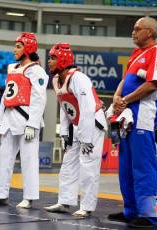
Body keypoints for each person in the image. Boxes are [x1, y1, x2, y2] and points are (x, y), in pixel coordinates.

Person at [107, 16, 157, 228]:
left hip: (142, 118)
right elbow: (125, 80)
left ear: (149, 32)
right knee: (125, 168)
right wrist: (116, 96)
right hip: (126, 118)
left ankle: (148, 215)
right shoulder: (136, 54)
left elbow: (153, 83)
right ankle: (130, 211)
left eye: (137, 29)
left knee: (143, 167)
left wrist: (124, 100)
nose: (133, 32)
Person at [43, 43, 107, 218]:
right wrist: (64, 133)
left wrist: (86, 138)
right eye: (49, 57)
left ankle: (86, 206)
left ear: (63, 59)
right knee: (68, 163)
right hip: (76, 123)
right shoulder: (56, 80)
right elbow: (65, 107)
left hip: (92, 124)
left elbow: (87, 108)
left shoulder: (79, 78)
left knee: (88, 165)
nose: (49, 61)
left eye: (53, 58)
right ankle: (65, 201)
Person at [0, 32, 48, 209]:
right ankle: (1, 194)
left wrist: (33, 124)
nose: (14, 49)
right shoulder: (13, 68)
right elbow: (6, 95)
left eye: (18, 46)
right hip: (9, 119)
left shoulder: (37, 70)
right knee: (4, 158)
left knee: (28, 160)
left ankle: (29, 197)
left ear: (28, 48)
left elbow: (39, 98)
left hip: (26, 118)